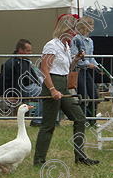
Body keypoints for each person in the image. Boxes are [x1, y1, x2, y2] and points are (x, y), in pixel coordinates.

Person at [34, 14, 100, 166]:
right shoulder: (52, 45)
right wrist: (52, 89)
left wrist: (76, 59)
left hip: (63, 83)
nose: (74, 34)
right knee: (48, 125)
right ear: (64, 29)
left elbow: (67, 69)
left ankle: (80, 157)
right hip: (53, 83)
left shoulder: (66, 46)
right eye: (72, 30)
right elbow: (44, 69)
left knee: (80, 118)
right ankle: (39, 161)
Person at [0, 39, 43, 126]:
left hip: (30, 87)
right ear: (20, 50)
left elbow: (35, 77)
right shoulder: (10, 63)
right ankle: (37, 120)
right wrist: (10, 95)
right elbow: (4, 81)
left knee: (51, 93)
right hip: (21, 89)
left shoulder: (26, 61)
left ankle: (45, 119)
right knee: (47, 94)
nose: (31, 53)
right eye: (28, 51)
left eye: (31, 50)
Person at [71, 17, 100, 124]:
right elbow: (74, 57)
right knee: (82, 95)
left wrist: (97, 66)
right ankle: (81, 119)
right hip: (78, 70)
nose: (92, 27)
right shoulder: (76, 39)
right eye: (91, 24)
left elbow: (91, 57)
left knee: (94, 95)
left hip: (86, 70)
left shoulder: (90, 41)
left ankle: (91, 119)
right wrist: (88, 64)